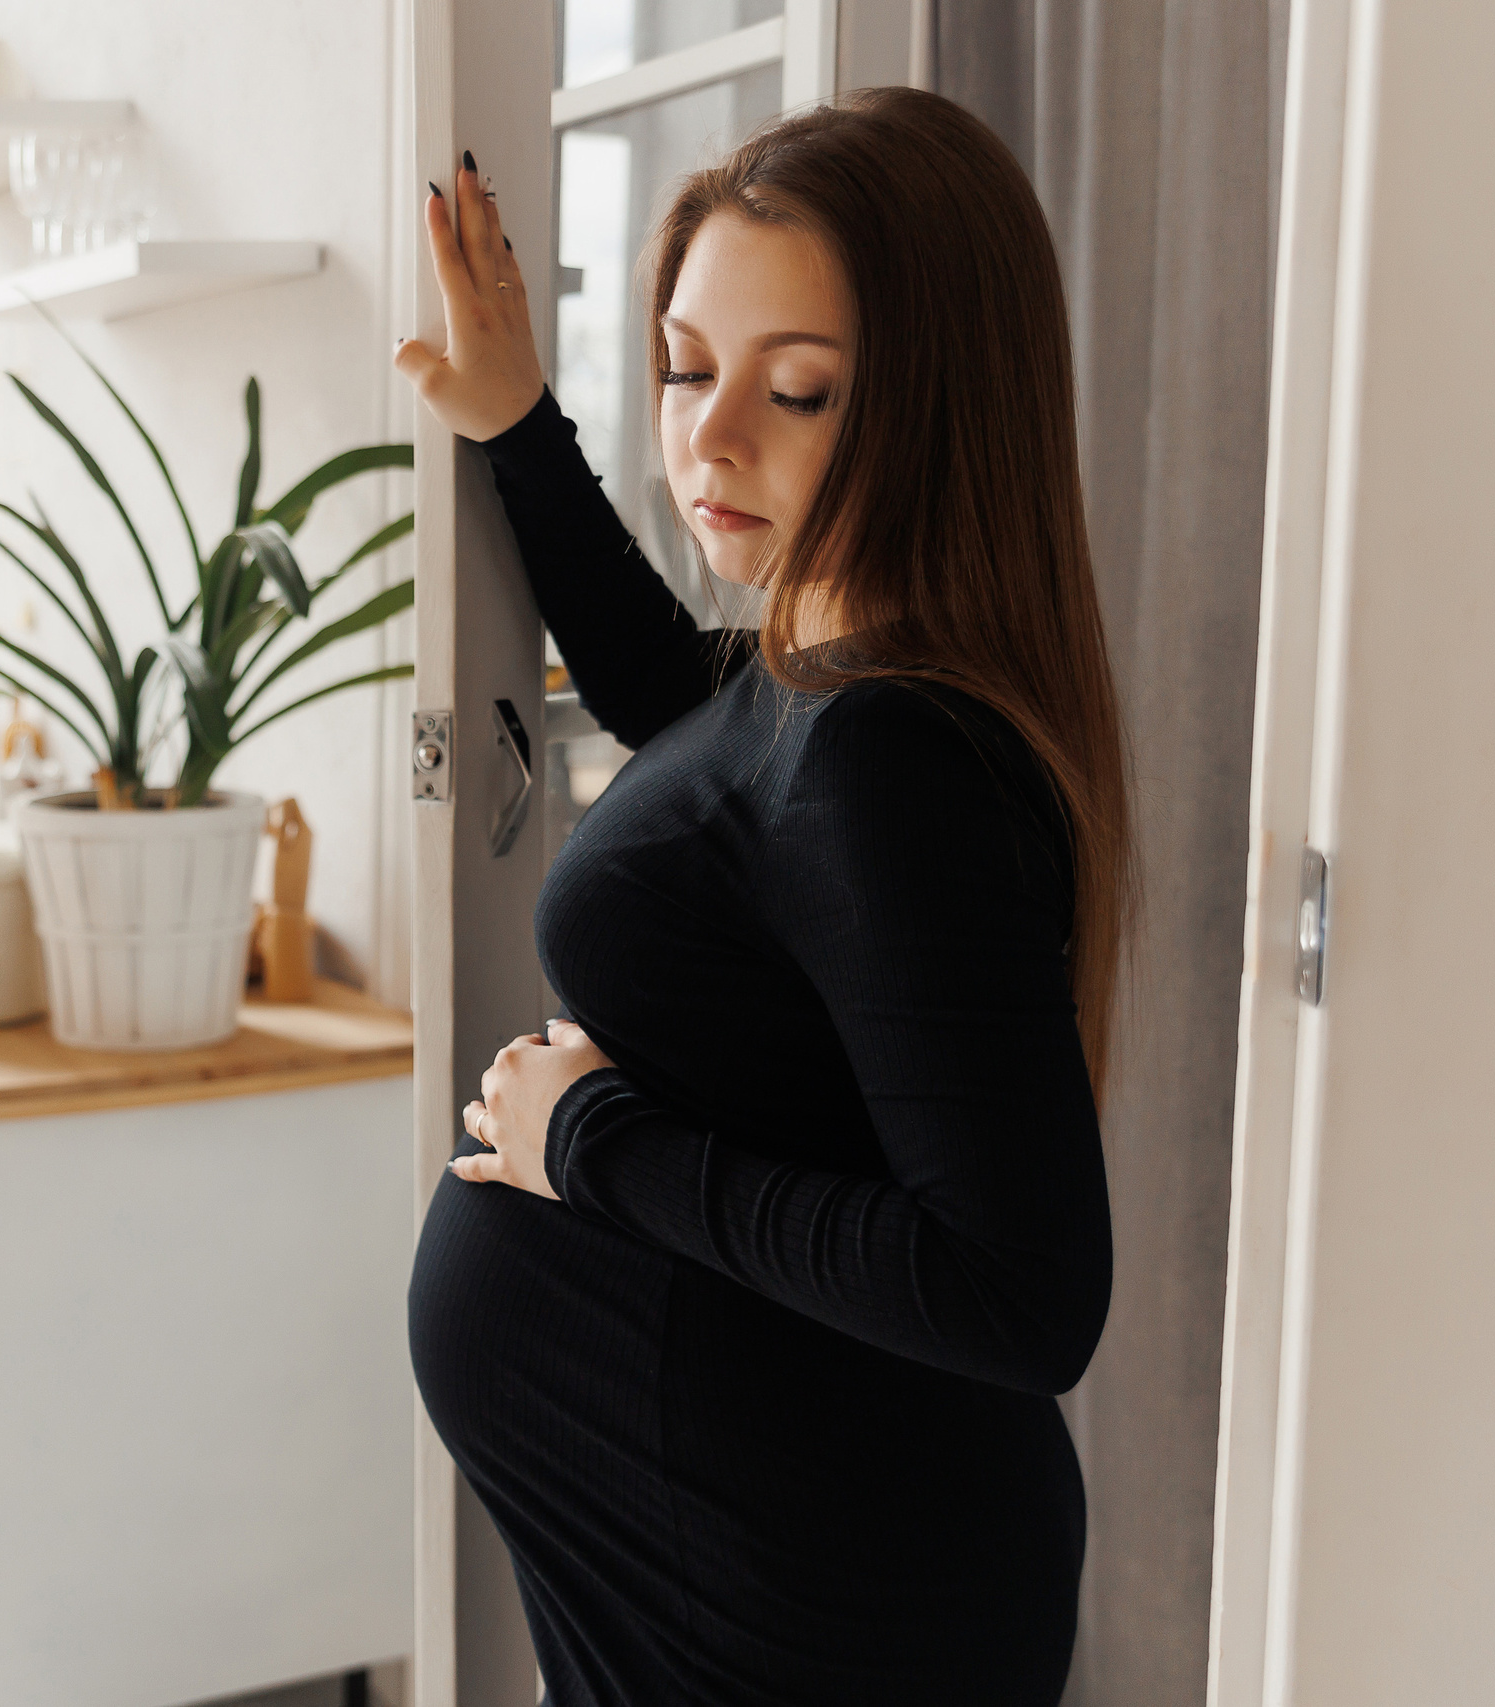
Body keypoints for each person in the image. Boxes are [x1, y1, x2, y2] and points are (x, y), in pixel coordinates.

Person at [394, 92, 1129, 1705]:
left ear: (944, 407)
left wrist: (586, 1144)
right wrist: (520, 421)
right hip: (762, 1543)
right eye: (684, 367)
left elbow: (1023, 1294)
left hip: (804, 1592)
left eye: (795, 391)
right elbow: (680, 698)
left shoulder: (891, 754)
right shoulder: (826, 677)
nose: (710, 437)